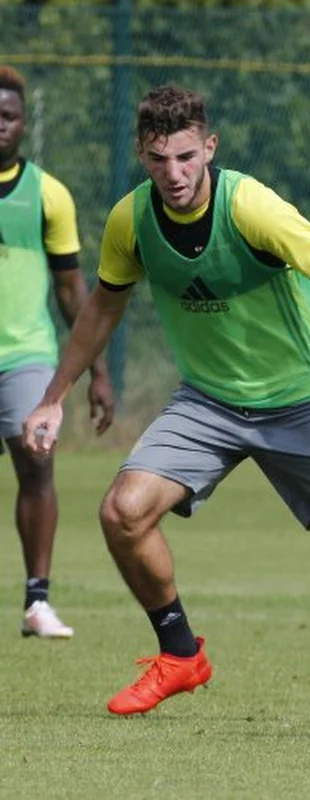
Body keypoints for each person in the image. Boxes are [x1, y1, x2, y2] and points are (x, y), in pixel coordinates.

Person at [21, 84, 310, 728]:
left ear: (210, 147)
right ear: (141, 153)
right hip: (208, 403)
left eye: (188, 157)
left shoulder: (251, 207)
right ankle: (180, 655)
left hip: (306, 399)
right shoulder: (129, 220)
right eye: (160, 159)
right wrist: (55, 397)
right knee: (122, 513)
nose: (175, 173)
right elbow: (103, 307)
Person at [0, 66, 114, 639]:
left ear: (24, 125)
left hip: (26, 354)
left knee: (37, 464)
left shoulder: (47, 194)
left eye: (9, 117)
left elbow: (73, 290)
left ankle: (37, 602)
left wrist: (98, 371)